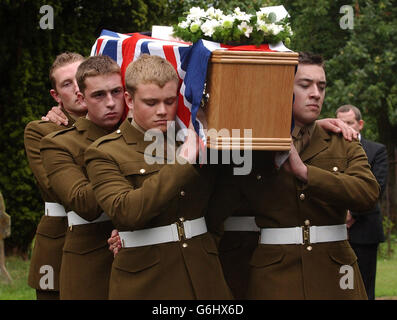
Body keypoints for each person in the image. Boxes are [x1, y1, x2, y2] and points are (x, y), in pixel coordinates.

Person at [208, 52, 380, 300]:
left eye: (321, 86)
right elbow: (217, 211)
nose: (316, 93)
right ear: (282, 88)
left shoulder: (342, 141)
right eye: (305, 85)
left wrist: (306, 173)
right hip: (275, 277)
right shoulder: (254, 147)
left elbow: (367, 194)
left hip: (336, 274)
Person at [85, 54, 232, 300]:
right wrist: (182, 161)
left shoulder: (191, 140)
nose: (163, 111)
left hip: (204, 274)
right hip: (147, 281)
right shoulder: (104, 151)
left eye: (170, 101)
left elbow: (219, 205)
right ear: (129, 100)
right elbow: (126, 212)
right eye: (151, 102)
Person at [40, 55, 125, 299]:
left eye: (117, 92)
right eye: (99, 95)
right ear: (82, 98)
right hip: (89, 260)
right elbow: (82, 203)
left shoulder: (141, 135)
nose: (110, 103)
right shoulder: (57, 141)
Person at [24, 52, 85, 300]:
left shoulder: (115, 125)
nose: (78, 88)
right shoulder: (41, 131)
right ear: (56, 96)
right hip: (59, 246)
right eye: (67, 84)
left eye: (81, 78)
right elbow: (57, 188)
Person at [336, 104, 388, 300]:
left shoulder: (377, 151)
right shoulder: (329, 148)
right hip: (334, 230)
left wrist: (351, 214)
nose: (345, 126)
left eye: (349, 122)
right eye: (341, 122)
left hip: (365, 230)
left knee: (365, 288)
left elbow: (377, 187)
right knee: (339, 288)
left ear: (360, 124)